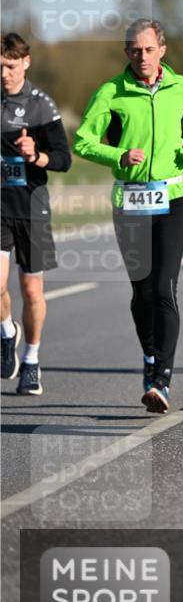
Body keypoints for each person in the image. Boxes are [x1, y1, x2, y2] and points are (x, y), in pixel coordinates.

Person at [73, 19, 183, 413]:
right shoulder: (111, 92)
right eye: (135, 50)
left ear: (162, 50)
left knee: (164, 288)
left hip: (173, 198)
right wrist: (117, 155)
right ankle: (151, 356)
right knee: (141, 294)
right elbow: (83, 140)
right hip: (130, 201)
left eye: (149, 49)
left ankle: (162, 382)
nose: (142, 56)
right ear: (127, 53)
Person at [1, 32, 72, 395]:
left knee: (31, 290)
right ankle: (6, 331)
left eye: (10, 66)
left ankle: (31, 359)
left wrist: (35, 156)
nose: (4, 74)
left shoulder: (41, 106)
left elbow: (63, 159)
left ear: (25, 63)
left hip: (31, 207)